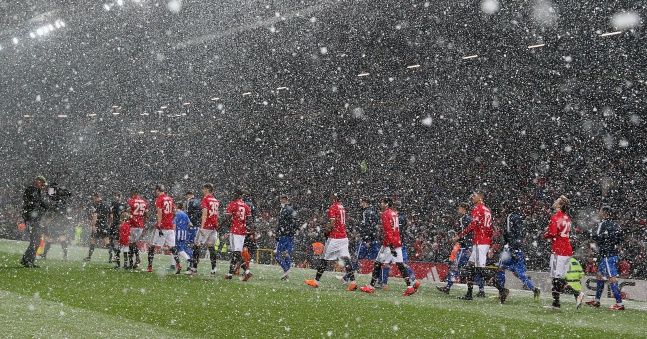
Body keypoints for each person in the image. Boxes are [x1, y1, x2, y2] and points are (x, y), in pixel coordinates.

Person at [453, 191, 507, 303]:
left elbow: (474, 224)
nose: (472, 197)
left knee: (479, 269)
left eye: (475, 195)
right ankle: (469, 294)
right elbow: (490, 228)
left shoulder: (478, 208)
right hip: (484, 241)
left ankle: (501, 289)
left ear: (480, 197)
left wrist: (460, 235)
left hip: (480, 242)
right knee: (470, 267)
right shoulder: (487, 209)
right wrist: (490, 244)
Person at [360, 197, 420, 296]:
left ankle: (371, 287)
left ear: (386, 204)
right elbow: (395, 230)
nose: (380, 204)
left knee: (377, 264)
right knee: (400, 265)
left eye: (382, 203)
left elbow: (388, 232)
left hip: (389, 244)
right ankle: (410, 287)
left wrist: (391, 246)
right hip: (397, 242)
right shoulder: (394, 213)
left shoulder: (385, 214)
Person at [305, 193, 357, 291]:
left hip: (335, 238)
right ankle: (353, 282)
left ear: (333, 198)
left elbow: (332, 222)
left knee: (324, 259)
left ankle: (316, 281)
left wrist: (327, 231)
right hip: (343, 237)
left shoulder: (333, 207)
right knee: (346, 259)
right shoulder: (342, 207)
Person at [495, 201, 541, 301]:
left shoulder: (509, 217)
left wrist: (509, 247)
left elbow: (508, 234)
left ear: (506, 208)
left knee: (500, 269)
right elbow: (520, 234)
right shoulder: (519, 217)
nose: (502, 210)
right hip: (518, 248)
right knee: (520, 273)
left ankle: (502, 292)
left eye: (503, 208)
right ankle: (534, 289)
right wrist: (516, 247)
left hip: (510, 249)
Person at [438, 202, 485, 295]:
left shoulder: (464, 219)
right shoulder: (470, 218)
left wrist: (458, 238)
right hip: (472, 246)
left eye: (459, 208)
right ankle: (481, 290)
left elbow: (465, 232)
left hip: (465, 247)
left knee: (454, 267)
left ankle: (448, 287)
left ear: (463, 209)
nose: (458, 210)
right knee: (475, 269)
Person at [586, 206, 625, 310]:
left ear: (604, 213)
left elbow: (597, 237)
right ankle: (597, 300)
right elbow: (620, 238)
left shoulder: (602, 224)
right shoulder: (615, 224)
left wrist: (590, 234)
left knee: (612, 278)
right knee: (599, 276)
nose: (599, 213)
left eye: (600, 211)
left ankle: (619, 304)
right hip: (611, 254)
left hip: (607, 255)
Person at [543, 195, 573, 309]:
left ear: (560, 205)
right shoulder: (567, 217)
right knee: (559, 277)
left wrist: (545, 234)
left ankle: (576, 293)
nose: (555, 202)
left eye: (557, 201)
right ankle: (556, 302)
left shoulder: (556, 217)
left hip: (559, 250)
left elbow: (553, 233)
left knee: (556, 277)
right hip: (567, 249)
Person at [187, 183, 220, 275]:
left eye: (203, 189)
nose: (202, 191)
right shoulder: (216, 200)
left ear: (207, 189)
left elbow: (205, 213)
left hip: (206, 226)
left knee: (196, 245)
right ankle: (214, 268)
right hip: (213, 227)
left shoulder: (206, 199)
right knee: (211, 247)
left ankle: (194, 268)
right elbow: (216, 214)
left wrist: (201, 227)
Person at [147, 185, 180, 274]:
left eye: (155, 191)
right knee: (172, 247)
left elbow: (159, 212)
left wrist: (159, 224)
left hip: (162, 226)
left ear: (158, 190)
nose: (155, 192)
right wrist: (170, 221)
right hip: (170, 226)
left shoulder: (159, 199)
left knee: (152, 246)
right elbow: (174, 211)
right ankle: (178, 264)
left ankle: (149, 266)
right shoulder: (170, 199)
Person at [21, 176, 49, 268]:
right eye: (42, 183)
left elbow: (40, 203)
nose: (43, 185)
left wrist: (50, 207)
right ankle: (28, 260)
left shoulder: (37, 191)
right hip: (31, 218)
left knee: (36, 240)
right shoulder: (31, 190)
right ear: (38, 181)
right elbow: (34, 203)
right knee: (35, 240)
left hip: (35, 218)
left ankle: (28, 260)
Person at [225, 190, 253, 281]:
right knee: (235, 253)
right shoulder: (246, 206)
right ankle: (229, 273)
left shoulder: (232, 204)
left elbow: (228, 218)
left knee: (236, 253)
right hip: (242, 232)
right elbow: (249, 220)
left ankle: (247, 272)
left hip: (235, 231)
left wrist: (228, 225)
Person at [275, 195, 297, 280]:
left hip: (284, 235)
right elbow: (295, 223)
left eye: (284, 199)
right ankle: (286, 274)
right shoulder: (291, 209)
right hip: (289, 235)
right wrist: (292, 231)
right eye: (281, 199)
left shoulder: (285, 210)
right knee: (286, 253)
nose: (282, 201)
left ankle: (286, 270)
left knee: (277, 254)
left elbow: (281, 223)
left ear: (287, 200)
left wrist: (279, 232)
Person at [84, 193, 111, 262]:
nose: (93, 200)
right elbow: (111, 216)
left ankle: (89, 257)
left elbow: (95, 216)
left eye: (93, 198)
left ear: (96, 197)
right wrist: (108, 224)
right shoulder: (107, 205)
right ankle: (112, 257)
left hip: (97, 225)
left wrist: (93, 225)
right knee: (107, 242)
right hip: (104, 225)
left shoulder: (96, 205)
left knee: (93, 241)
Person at [126, 189, 149, 269]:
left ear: (133, 193)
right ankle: (135, 260)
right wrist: (144, 223)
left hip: (133, 224)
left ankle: (132, 262)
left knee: (131, 244)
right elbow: (146, 214)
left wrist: (127, 218)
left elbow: (128, 212)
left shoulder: (131, 201)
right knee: (134, 243)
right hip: (140, 225)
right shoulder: (144, 202)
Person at [170, 203, 193, 270]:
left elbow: (174, 224)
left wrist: (173, 232)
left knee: (177, 248)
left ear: (177, 207)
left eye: (174, 207)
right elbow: (190, 224)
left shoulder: (177, 214)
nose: (174, 208)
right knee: (177, 248)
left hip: (177, 233)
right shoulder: (185, 214)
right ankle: (173, 265)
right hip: (184, 233)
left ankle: (188, 259)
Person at [108, 192, 127, 263]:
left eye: (116, 196)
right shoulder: (123, 204)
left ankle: (116, 255)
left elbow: (111, 214)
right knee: (113, 239)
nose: (116, 197)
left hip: (116, 223)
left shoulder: (115, 203)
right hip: (119, 223)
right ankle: (116, 254)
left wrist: (111, 223)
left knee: (115, 239)